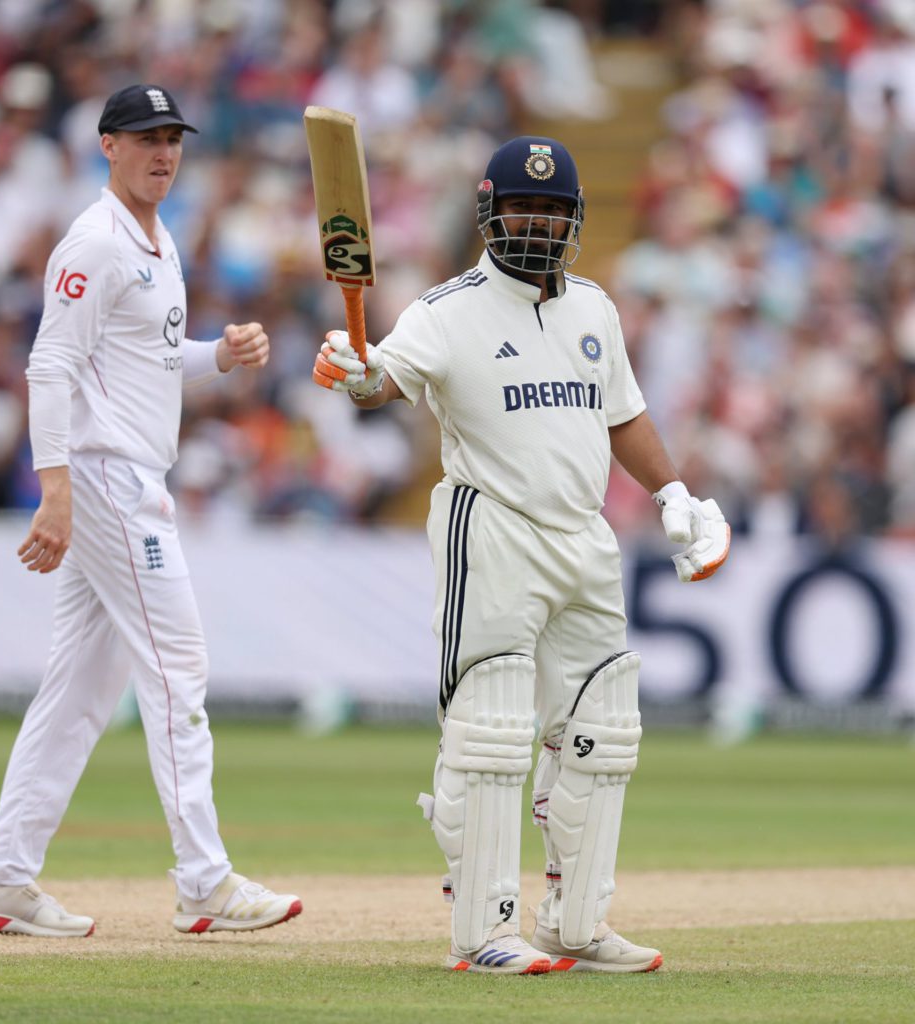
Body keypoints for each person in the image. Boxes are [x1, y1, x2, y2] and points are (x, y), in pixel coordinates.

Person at [313, 136, 730, 974]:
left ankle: (573, 924)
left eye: (550, 211)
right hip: (494, 526)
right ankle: (482, 933)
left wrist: (674, 493)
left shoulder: (595, 310)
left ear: (573, 218)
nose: (535, 224)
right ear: (489, 212)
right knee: (494, 728)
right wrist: (356, 371)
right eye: (519, 208)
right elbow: (384, 378)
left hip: (584, 535)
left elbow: (623, 416)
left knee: (603, 729)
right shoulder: (448, 308)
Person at [0, 84, 302, 938]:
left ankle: (2, 877)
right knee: (178, 665)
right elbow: (49, 366)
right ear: (107, 146)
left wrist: (218, 354)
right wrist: (56, 490)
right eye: (145, 138)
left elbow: (144, 356)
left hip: (134, 475)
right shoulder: (94, 243)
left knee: (79, 692)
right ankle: (204, 882)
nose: (163, 152)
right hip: (107, 481)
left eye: (173, 138)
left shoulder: (158, 239)